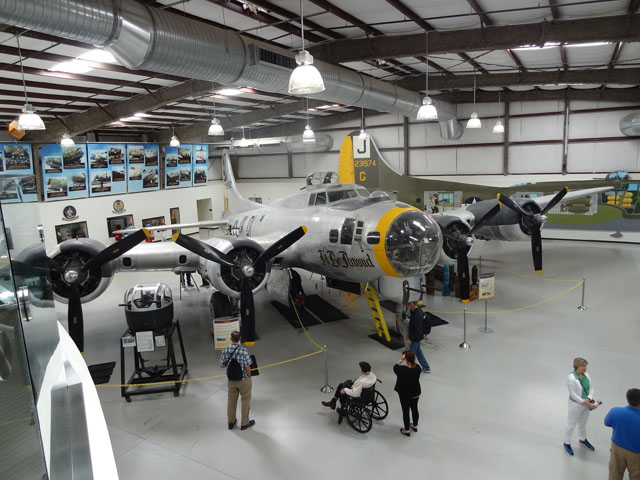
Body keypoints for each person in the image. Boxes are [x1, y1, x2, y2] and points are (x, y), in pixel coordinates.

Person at [219, 331, 255, 431]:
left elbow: (222, 365)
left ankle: (231, 422)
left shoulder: (225, 349)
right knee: (245, 401)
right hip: (244, 380)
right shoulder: (243, 351)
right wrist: (249, 377)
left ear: (231, 339)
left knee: (231, 401)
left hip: (231, 381)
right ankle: (244, 423)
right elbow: (248, 367)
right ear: (240, 339)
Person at [563, 357, 598, 455]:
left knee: (583, 423)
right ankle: (567, 442)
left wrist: (589, 398)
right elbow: (573, 394)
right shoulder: (571, 378)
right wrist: (585, 402)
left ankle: (583, 439)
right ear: (576, 366)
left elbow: (591, 389)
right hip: (575, 405)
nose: (585, 368)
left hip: (586, 404)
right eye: (583, 366)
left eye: (585, 366)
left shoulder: (587, 375)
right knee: (571, 424)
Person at [604, 388, 640, 479]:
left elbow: (607, 422)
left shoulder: (615, 411)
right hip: (636, 453)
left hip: (617, 449)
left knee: (614, 474)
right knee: (636, 475)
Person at [393, 350, 421, 437]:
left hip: (405, 394)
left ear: (406, 360)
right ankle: (414, 425)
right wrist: (411, 358)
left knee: (406, 411)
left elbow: (395, 367)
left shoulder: (402, 370)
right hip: (415, 392)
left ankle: (406, 430)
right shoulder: (418, 368)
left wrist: (401, 359)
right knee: (415, 408)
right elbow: (414, 363)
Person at [406, 301, 430, 373]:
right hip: (417, 336)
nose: (407, 307)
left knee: (411, 355)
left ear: (411, 305)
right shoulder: (416, 310)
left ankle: (411, 370)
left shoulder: (417, 316)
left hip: (415, 337)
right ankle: (426, 367)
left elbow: (418, 330)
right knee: (419, 353)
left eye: (408, 305)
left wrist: (411, 338)